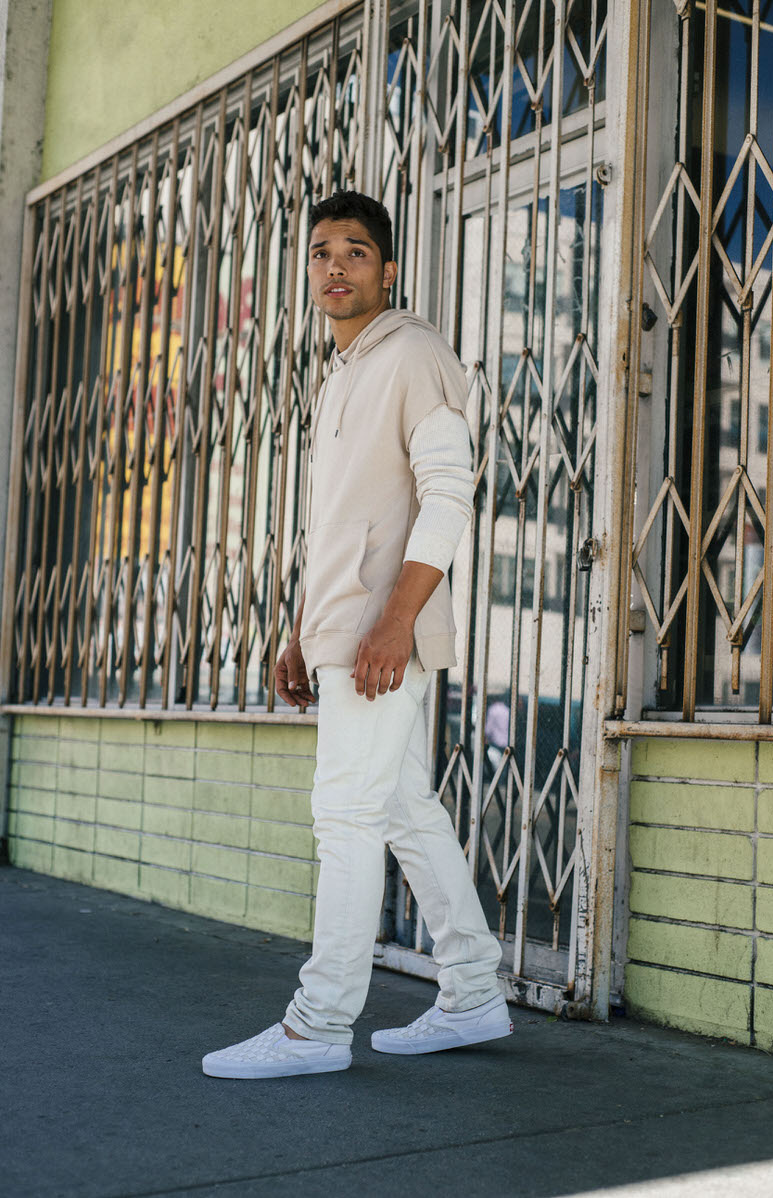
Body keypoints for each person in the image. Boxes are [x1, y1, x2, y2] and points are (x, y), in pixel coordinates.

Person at [202, 190, 512, 1080]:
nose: (336, 266)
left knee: (344, 817)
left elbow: (450, 494)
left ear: (389, 269)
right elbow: (344, 521)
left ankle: (318, 1024)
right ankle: (473, 991)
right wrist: (304, 629)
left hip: (384, 638)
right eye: (322, 252)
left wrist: (393, 622)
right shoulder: (343, 370)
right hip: (345, 632)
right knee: (405, 811)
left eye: (357, 252)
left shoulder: (415, 355)